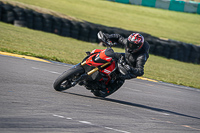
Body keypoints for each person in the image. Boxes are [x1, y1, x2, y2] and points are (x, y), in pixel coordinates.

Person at [93, 31, 150, 97]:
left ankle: (108, 89)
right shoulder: (128, 42)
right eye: (129, 44)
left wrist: (129, 68)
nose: (129, 46)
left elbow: (140, 71)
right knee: (111, 55)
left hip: (131, 69)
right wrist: (108, 36)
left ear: (138, 46)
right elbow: (118, 37)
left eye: (132, 45)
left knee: (120, 76)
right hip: (125, 58)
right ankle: (95, 66)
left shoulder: (141, 56)